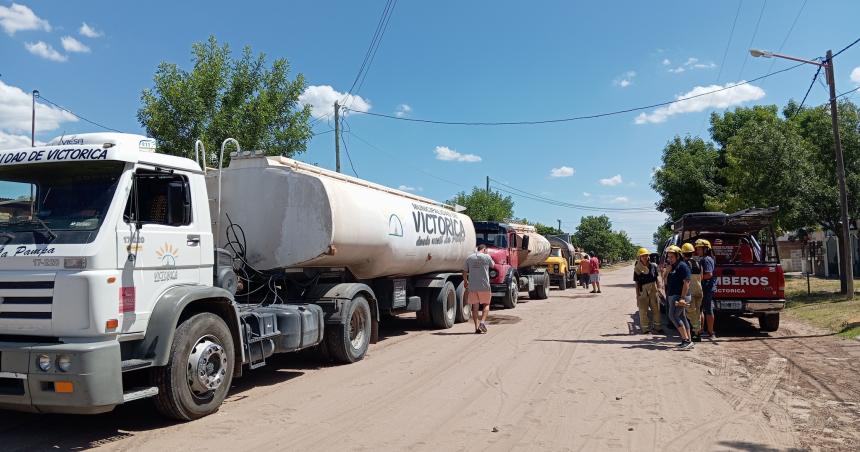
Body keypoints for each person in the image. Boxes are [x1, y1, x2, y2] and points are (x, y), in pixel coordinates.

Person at [665, 245, 694, 350]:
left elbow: (687, 282)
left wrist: (682, 298)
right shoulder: (673, 266)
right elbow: (665, 281)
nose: (669, 259)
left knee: (673, 316)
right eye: (669, 257)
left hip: (680, 296)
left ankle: (686, 340)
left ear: (678, 256)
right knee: (682, 317)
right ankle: (687, 340)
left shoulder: (682, 266)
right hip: (674, 295)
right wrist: (667, 271)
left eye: (672, 257)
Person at [463, 244, 494, 334]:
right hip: (484, 286)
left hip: (473, 286)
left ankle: (476, 327)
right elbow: (493, 265)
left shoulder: (469, 258)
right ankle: (482, 323)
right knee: (486, 304)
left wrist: (465, 281)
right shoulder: (487, 256)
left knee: (475, 307)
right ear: (484, 250)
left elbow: (464, 270)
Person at [633, 247, 661, 334]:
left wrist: (659, 288)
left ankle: (657, 327)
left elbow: (657, 278)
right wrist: (637, 295)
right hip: (643, 291)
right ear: (639, 257)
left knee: (656, 309)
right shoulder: (637, 269)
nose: (645, 257)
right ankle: (645, 329)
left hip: (653, 289)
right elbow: (637, 283)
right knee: (643, 310)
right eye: (643, 256)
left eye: (646, 255)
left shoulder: (653, 266)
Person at [696, 239, 718, 340]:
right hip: (705, 287)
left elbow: (709, 274)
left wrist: (697, 278)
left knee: (708, 310)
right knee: (701, 309)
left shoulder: (706, 260)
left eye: (700, 249)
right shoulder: (705, 259)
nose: (698, 251)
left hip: (707, 288)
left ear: (706, 249)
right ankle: (701, 331)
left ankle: (710, 332)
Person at [681, 242, 703, 342]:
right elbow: (701, 277)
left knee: (691, 313)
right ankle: (697, 333)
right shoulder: (698, 262)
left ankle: (696, 331)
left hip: (691, 291)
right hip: (699, 290)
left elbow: (685, 280)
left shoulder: (685, 264)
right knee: (697, 313)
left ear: (683, 253)